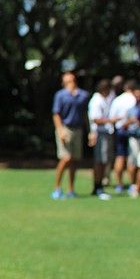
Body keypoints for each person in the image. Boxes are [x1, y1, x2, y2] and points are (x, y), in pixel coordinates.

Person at [51, 71, 90, 199]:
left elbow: (86, 114)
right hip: (65, 128)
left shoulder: (83, 95)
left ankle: (70, 189)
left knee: (75, 160)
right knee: (66, 158)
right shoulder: (60, 95)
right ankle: (57, 188)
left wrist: (90, 131)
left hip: (78, 129)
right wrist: (60, 130)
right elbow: (56, 114)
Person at [108, 79, 138, 193]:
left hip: (120, 129)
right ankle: (132, 184)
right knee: (132, 158)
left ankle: (119, 184)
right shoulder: (134, 99)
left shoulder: (118, 100)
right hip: (132, 131)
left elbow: (112, 117)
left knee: (120, 156)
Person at [88, 79, 115, 199]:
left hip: (105, 133)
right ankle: (98, 187)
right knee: (100, 161)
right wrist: (112, 120)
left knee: (104, 161)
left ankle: (100, 186)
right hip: (100, 134)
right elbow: (96, 119)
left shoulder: (104, 99)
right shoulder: (97, 101)